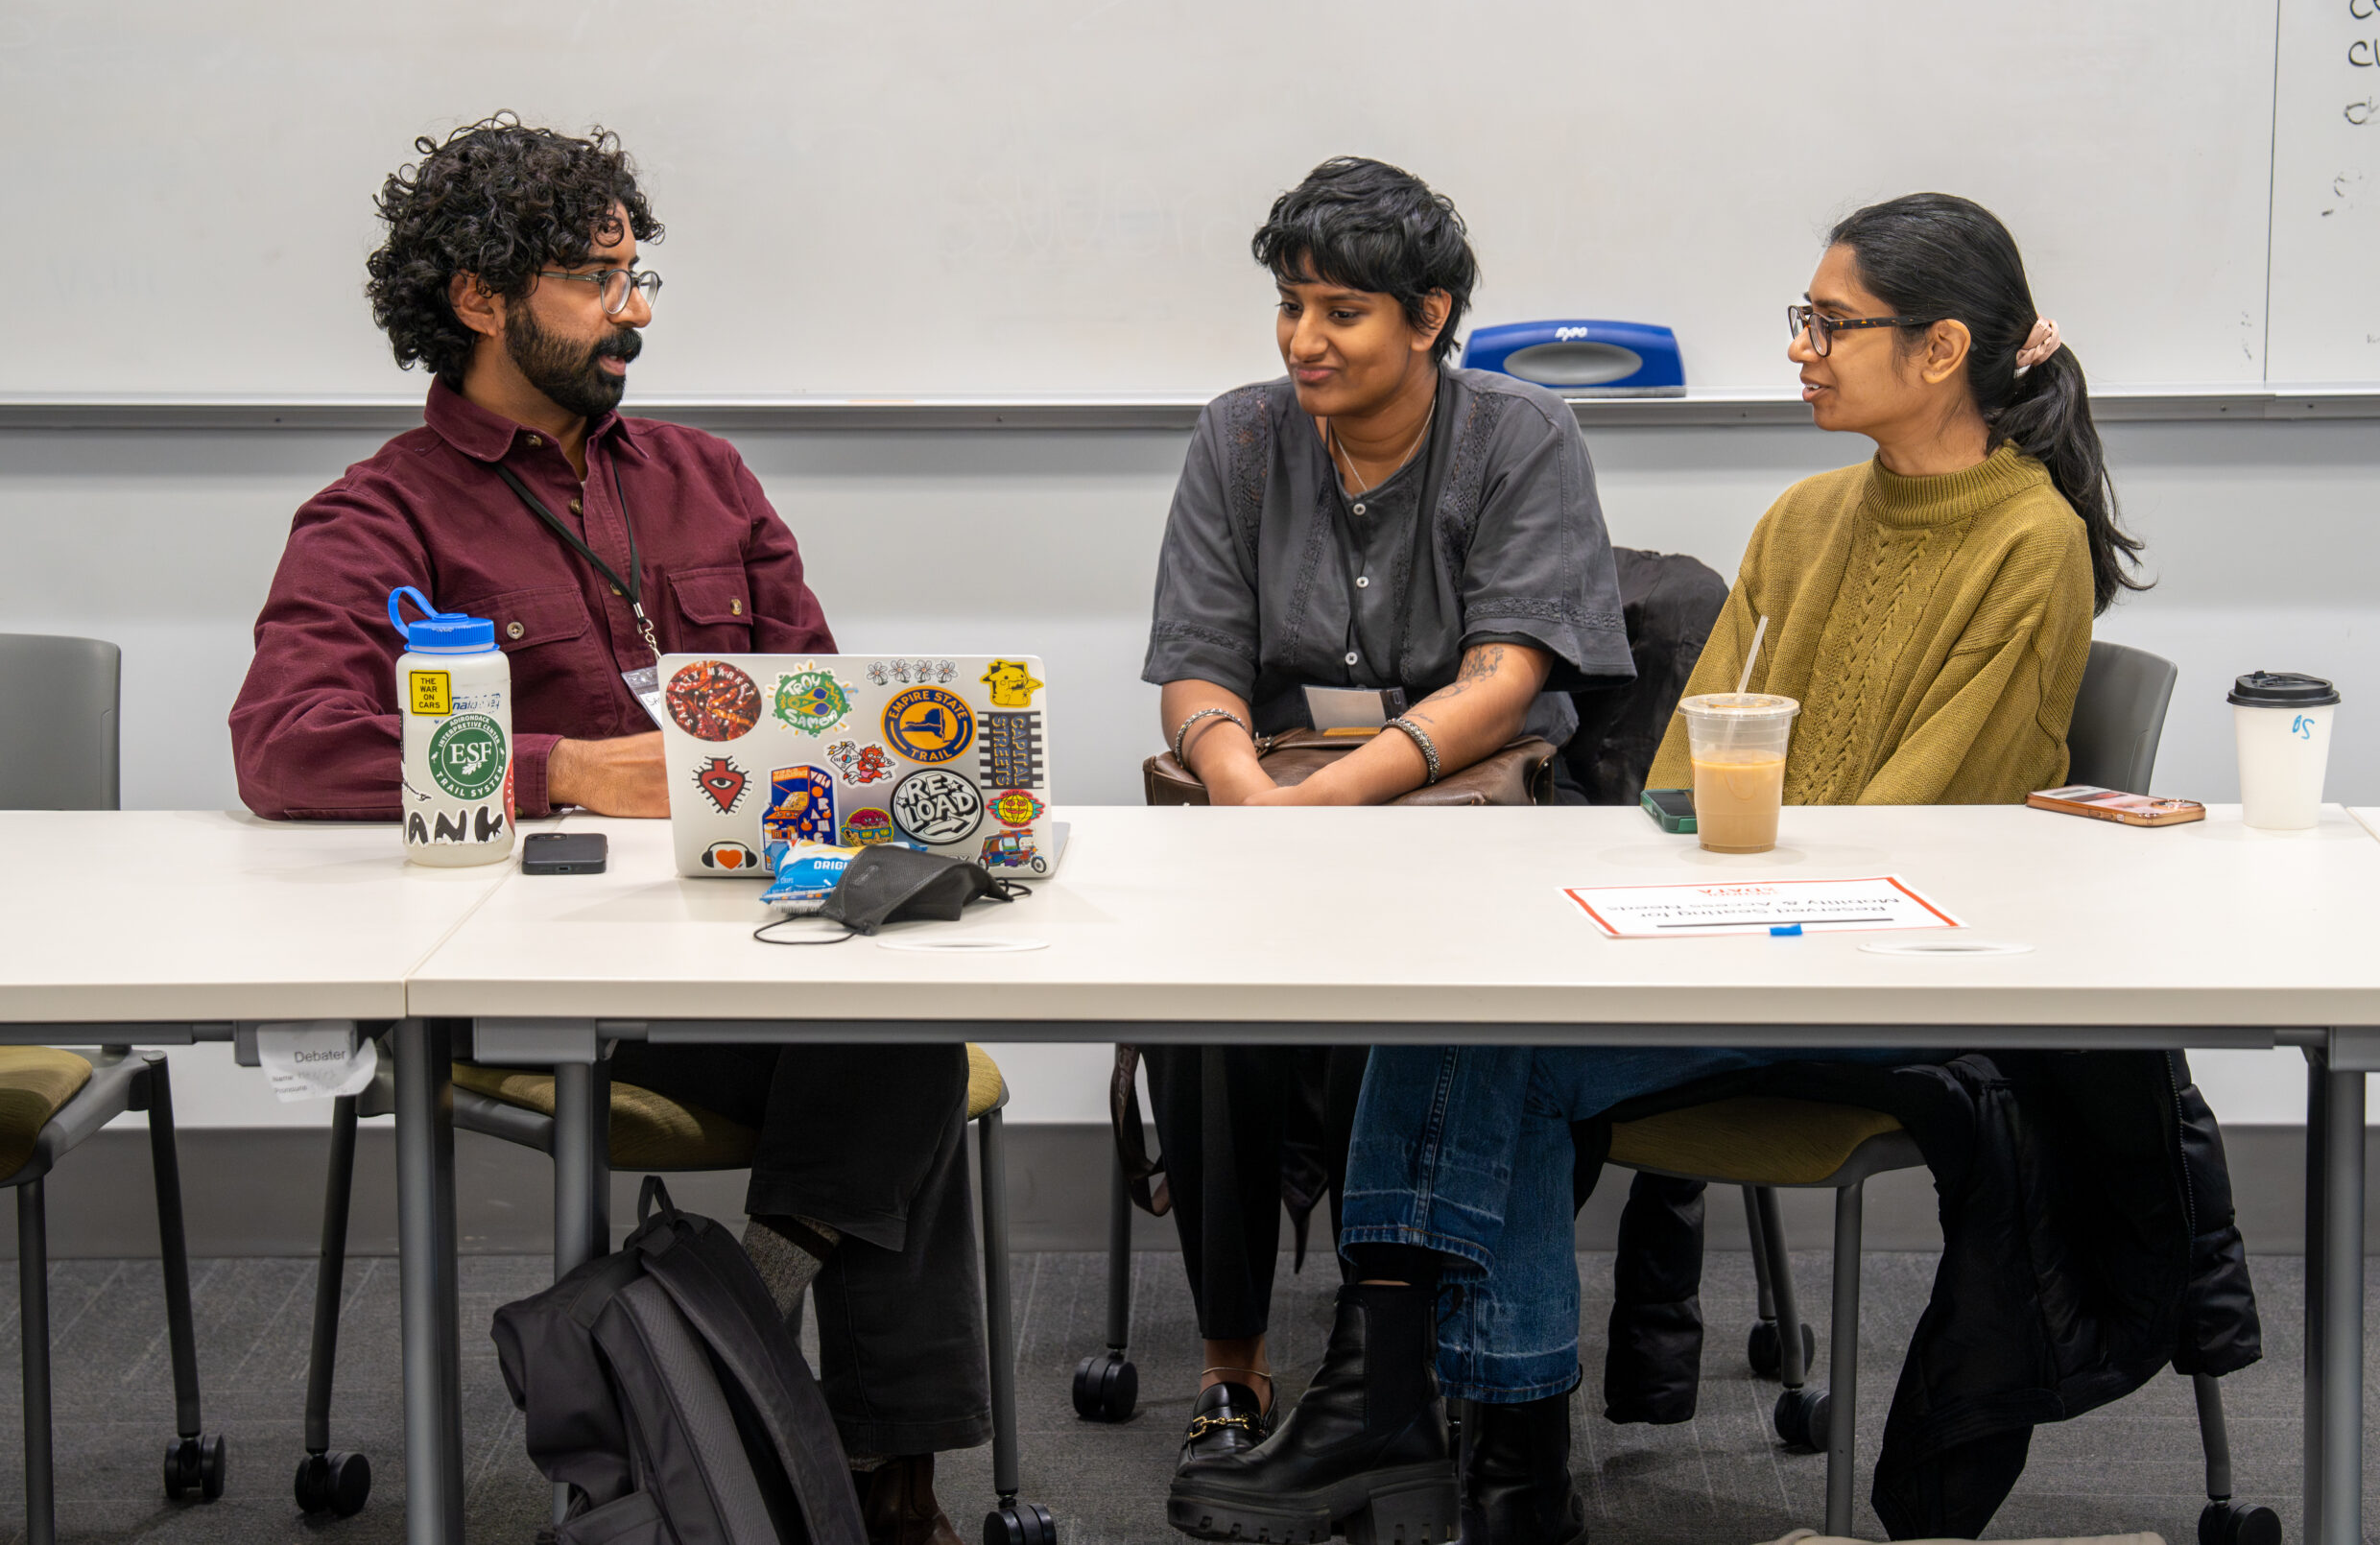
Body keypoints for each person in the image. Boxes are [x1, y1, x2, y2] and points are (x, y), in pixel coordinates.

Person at [1165, 192, 2143, 1545]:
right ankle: (1468, 1458)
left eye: (1830, 322)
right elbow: (1687, 778)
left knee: (1491, 1040)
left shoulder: (2030, 547)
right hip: (1748, 937)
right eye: (1806, 319)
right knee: (1468, 1012)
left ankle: (1423, 1430)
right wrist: (1677, 894)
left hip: (1894, 984)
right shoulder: (1805, 521)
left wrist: (1705, 897)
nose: (1801, 346)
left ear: (1938, 350)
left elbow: (1925, 835)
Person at [227, 115, 985, 1545]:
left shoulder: (708, 479)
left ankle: (733, 1333)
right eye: (597, 277)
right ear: (479, 298)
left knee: (903, 1005)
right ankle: (880, 1479)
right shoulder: (379, 511)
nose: (635, 310)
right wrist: (563, 768)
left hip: (749, 938)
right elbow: (286, 743)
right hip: (546, 968)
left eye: (642, 275)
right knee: (898, 1060)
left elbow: (814, 705)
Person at [1143, 158, 1632, 1483]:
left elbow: (1509, 679)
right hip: (1276, 800)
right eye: (1291, 305)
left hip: (1467, 818)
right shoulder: (1238, 437)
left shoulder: (1521, 435)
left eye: (1343, 311)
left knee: (1420, 1003)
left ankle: (1400, 1354)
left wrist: (1320, 815)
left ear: (1429, 319)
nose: (1305, 339)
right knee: (1206, 1025)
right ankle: (1232, 1368)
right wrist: (1248, 793)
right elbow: (1198, 659)